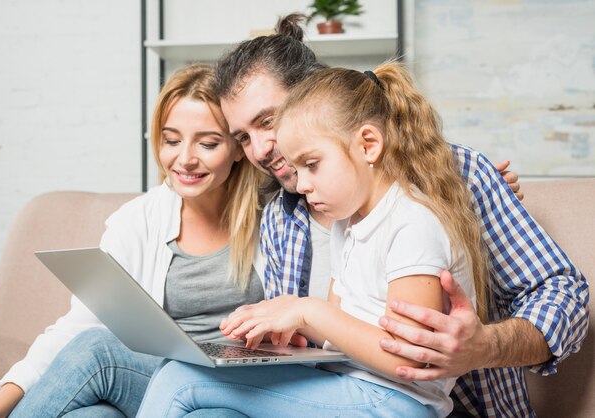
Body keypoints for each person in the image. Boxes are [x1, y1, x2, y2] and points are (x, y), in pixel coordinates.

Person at [211, 14, 588, 417]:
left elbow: (565, 295)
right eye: (244, 138)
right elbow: (330, 335)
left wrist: (483, 347)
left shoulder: (457, 178)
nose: (261, 148)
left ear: (314, 94)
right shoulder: (279, 221)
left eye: (268, 121)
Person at [137, 61, 489, 418]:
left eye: (312, 164)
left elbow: (406, 357)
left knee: (181, 380)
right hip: (352, 386)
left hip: (398, 403)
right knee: (189, 385)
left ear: (368, 145)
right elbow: (336, 329)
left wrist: (308, 310)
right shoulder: (348, 223)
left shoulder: (413, 224)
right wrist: (282, 319)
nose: (301, 185)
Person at [0, 64, 265, 418]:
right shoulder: (137, 220)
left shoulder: (275, 219)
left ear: (239, 148)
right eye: (171, 140)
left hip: (243, 389)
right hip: (154, 380)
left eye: (207, 143)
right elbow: (77, 329)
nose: (185, 158)